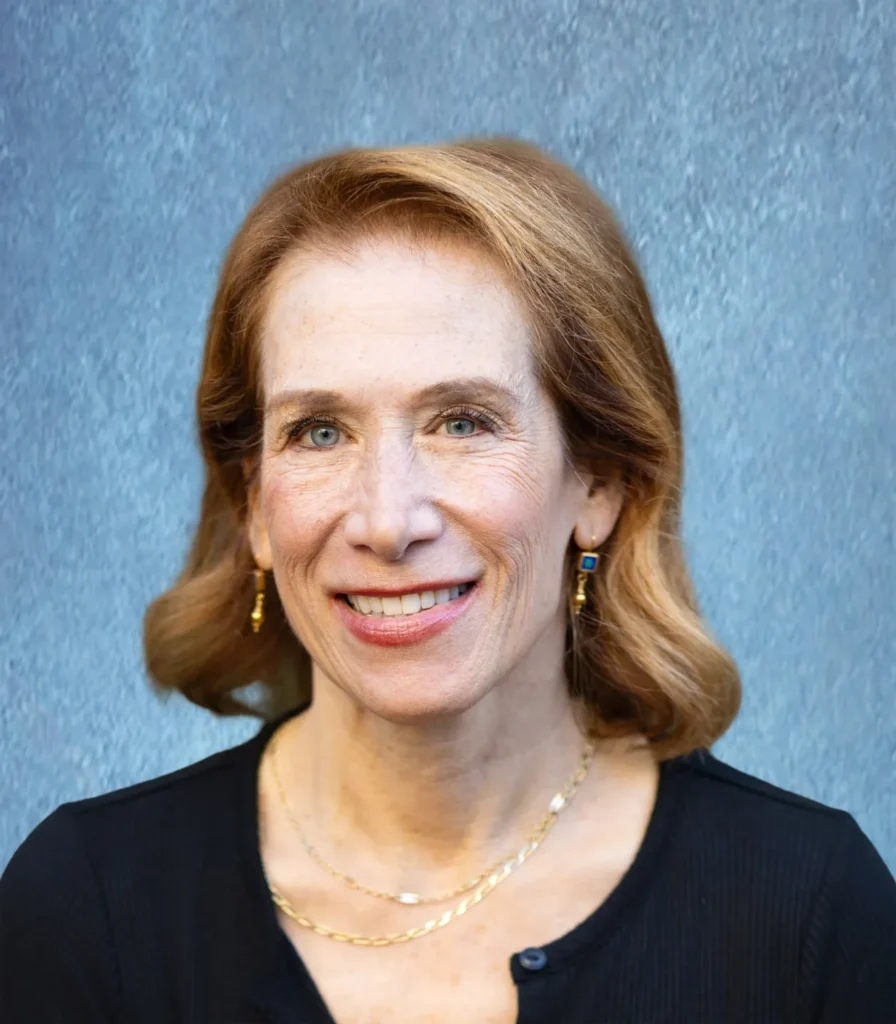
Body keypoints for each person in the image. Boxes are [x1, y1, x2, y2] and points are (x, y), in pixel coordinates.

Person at [1, 138, 894, 1024]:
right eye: (319, 432)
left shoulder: (808, 916)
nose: (388, 521)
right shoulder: (85, 910)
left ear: (601, 482)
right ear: (255, 508)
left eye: (462, 422)